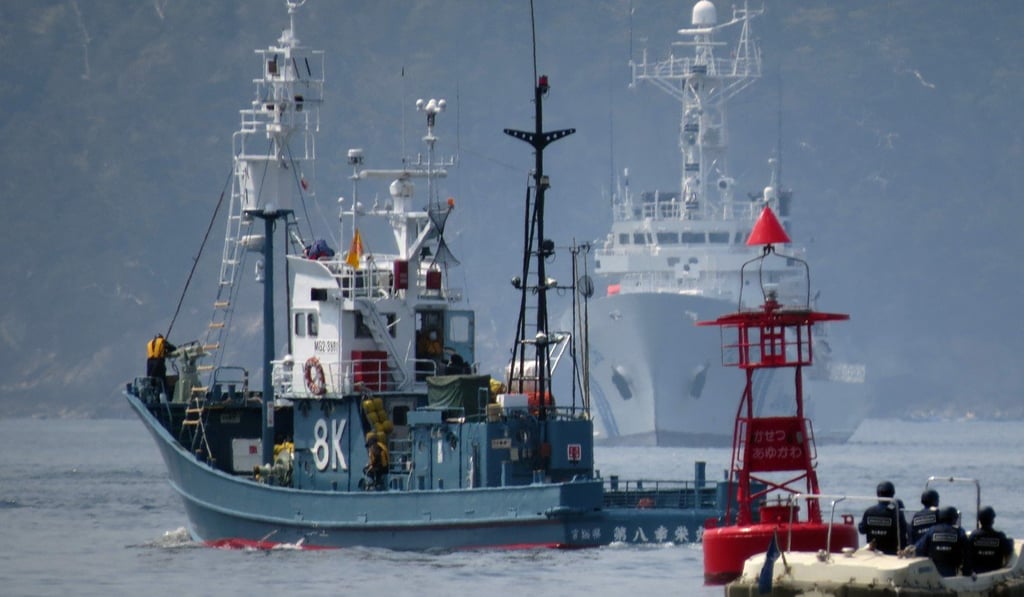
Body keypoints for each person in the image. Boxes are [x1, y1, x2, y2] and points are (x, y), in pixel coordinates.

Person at [913, 506, 969, 577]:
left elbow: (919, 548)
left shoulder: (932, 530)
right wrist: (967, 572)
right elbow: (967, 553)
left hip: (932, 571)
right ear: (954, 518)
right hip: (951, 571)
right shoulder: (959, 531)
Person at [859, 480, 909, 554]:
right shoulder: (896, 512)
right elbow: (904, 531)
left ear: (877, 494)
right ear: (893, 494)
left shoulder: (869, 511)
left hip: (873, 552)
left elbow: (862, 530)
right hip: (891, 552)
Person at [967, 506, 1014, 574]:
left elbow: (967, 553)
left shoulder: (973, 536)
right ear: (992, 520)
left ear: (979, 520)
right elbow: (1008, 550)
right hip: (995, 572)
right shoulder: (1000, 536)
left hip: (977, 572)